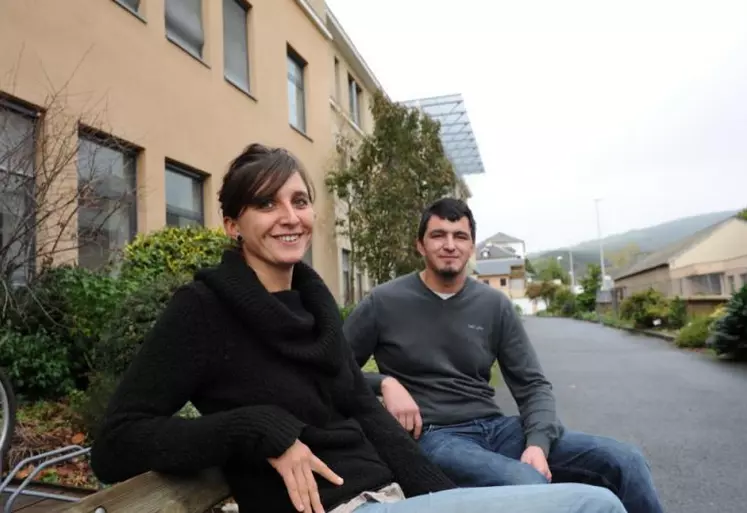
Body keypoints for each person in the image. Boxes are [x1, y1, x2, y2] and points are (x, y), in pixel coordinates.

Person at [90, 144, 626, 513]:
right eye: (265, 203)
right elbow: (115, 443)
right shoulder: (202, 309)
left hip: (390, 495)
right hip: (340, 505)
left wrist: (429, 490)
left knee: (605, 479)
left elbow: (360, 407)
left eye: (299, 201)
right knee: (592, 504)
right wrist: (258, 431)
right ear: (233, 224)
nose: (289, 216)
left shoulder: (312, 302)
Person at [344, 197, 665, 513]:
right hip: (435, 436)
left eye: (460, 236)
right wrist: (383, 382)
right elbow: (332, 368)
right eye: (438, 235)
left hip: (496, 429)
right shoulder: (384, 302)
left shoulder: (493, 305)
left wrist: (538, 443)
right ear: (420, 245)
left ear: (471, 247)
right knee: (528, 485)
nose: (449, 245)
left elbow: (533, 385)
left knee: (625, 461)